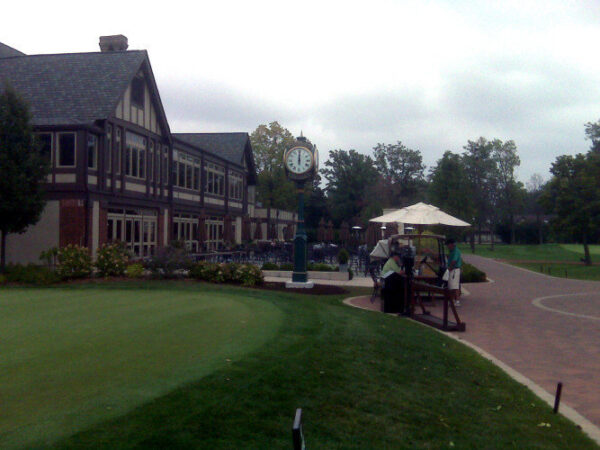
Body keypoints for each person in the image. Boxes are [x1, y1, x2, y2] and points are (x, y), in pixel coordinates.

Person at [445, 238, 462, 306]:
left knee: (455, 286)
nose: (447, 246)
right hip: (452, 269)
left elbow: (454, 261)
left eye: (448, 245)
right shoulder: (451, 251)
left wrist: (450, 268)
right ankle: (452, 300)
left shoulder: (455, 251)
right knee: (451, 286)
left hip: (454, 270)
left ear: (451, 244)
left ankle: (457, 301)